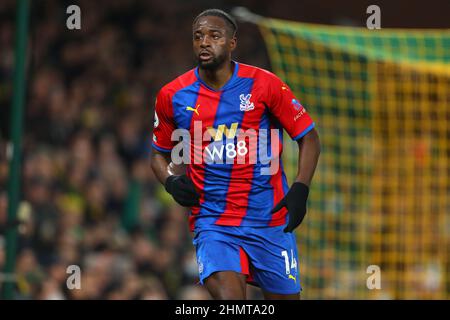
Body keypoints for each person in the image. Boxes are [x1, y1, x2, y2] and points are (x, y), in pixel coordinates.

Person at [151, 8, 320, 300]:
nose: (204, 42)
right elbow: (158, 155)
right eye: (198, 36)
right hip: (214, 221)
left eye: (214, 36)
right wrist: (170, 181)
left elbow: (309, 138)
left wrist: (301, 188)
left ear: (232, 43)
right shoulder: (173, 95)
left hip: (269, 219)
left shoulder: (265, 84)